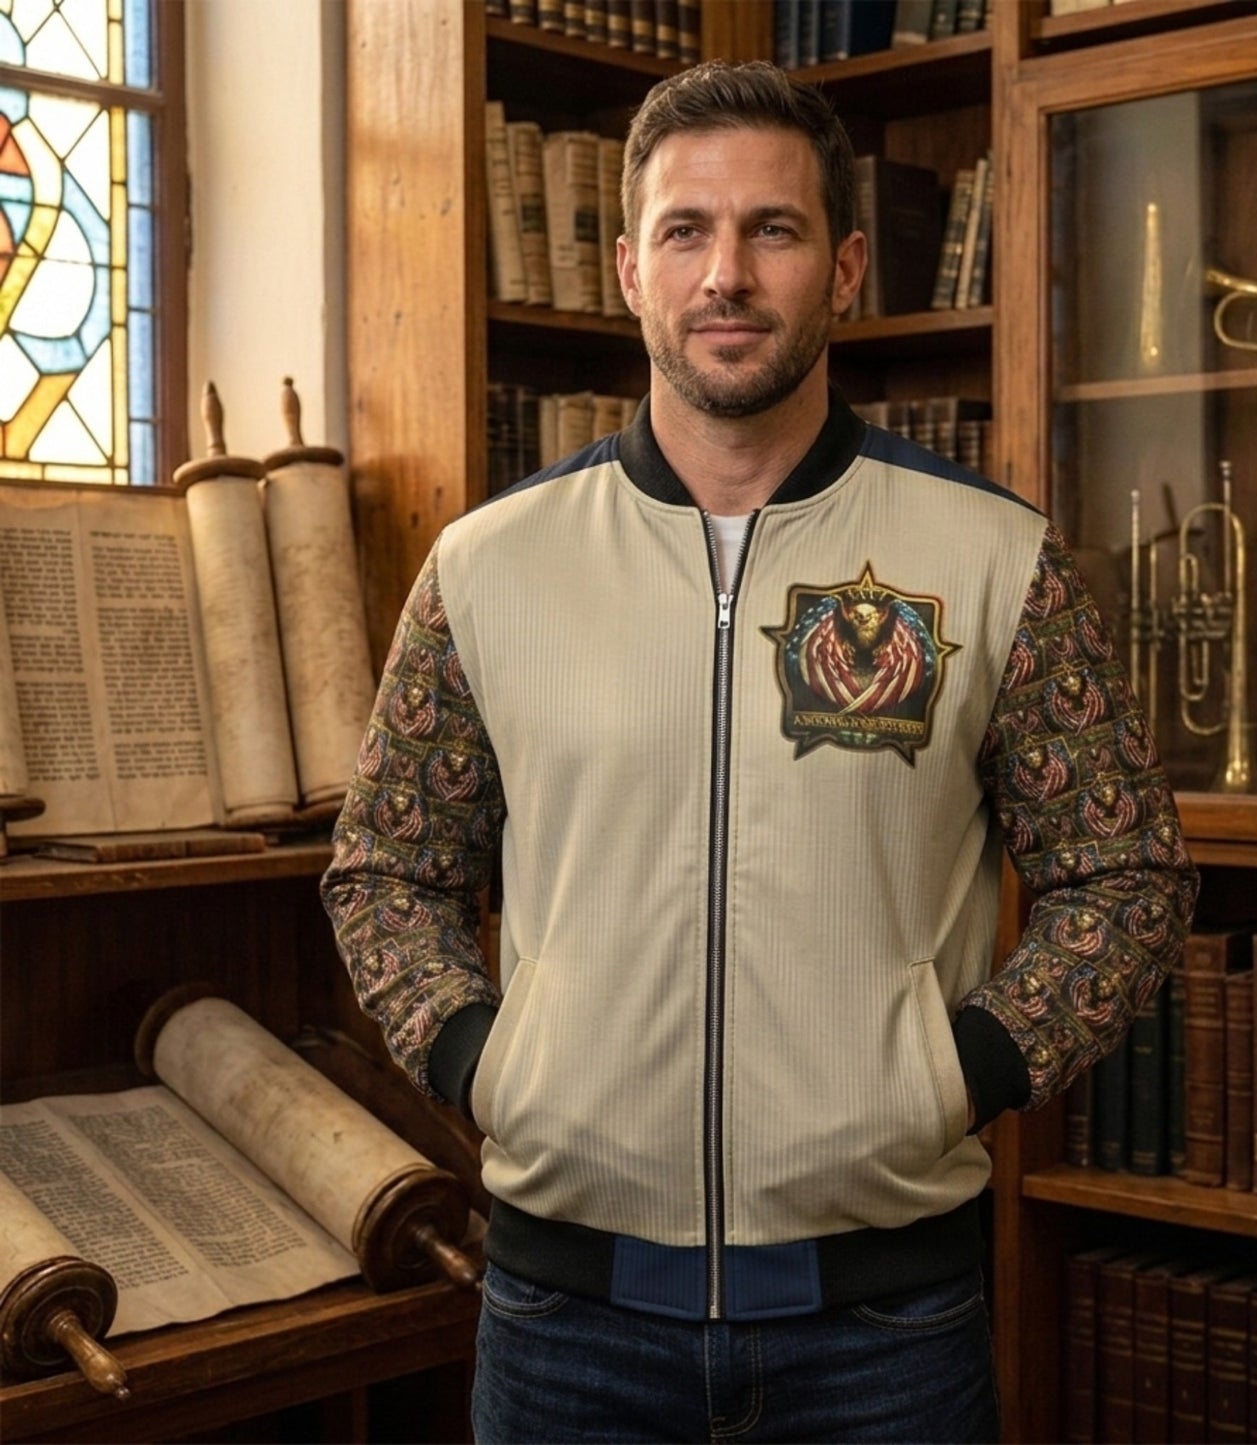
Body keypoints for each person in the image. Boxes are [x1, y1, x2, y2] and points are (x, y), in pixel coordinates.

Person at [322, 59, 1198, 1445]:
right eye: (686, 231)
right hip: (565, 1330)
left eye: (771, 230)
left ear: (842, 266)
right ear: (630, 270)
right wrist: (490, 1064)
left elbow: (1125, 871)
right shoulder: (485, 568)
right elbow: (385, 867)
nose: (725, 273)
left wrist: (957, 1073)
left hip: (884, 1337)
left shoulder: (993, 561)